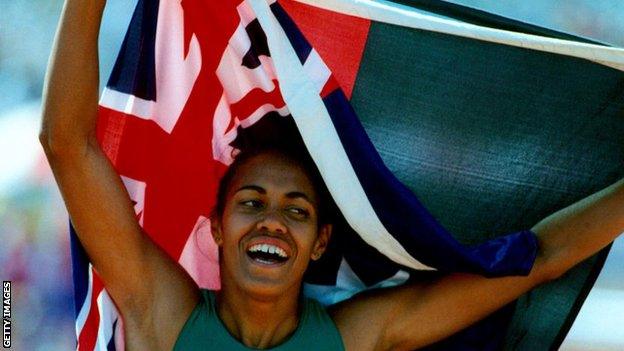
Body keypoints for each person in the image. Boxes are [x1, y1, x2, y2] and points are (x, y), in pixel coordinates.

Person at [40, 1, 624, 350]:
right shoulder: (159, 312)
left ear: (321, 241)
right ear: (215, 226)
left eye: (297, 210)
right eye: (252, 202)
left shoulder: (359, 336)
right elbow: (66, 145)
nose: (272, 221)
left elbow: (538, 256)